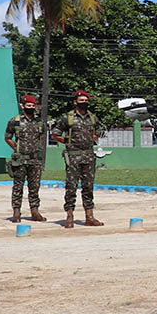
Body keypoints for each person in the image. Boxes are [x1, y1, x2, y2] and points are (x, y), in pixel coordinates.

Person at [52, 89, 104, 228]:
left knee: (88, 186)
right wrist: (68, 141)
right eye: (81, 101)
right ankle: (69, 216)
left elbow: (99, 131)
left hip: (88, 155)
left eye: (86, 101)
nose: (84, 103)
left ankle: (89, 216)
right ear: (75, 102)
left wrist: (90, 139)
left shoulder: (92, 117)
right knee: (71, 186)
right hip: (73, 155)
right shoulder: (67, 118)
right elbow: (55, 134)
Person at [4, 93, 47, 223]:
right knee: (18, 186)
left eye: (33, 105)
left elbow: (41, 137)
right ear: (22, 106)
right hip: (20, 159)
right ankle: (16, 213)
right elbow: (7, 137)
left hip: (35, 159)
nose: (31, 107)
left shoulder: (39, 122)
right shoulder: (15, 121)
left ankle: (35, 211)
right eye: (29, 105)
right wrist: (16, 149)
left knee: (35, 187)